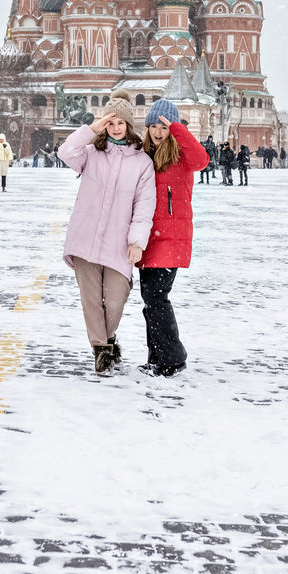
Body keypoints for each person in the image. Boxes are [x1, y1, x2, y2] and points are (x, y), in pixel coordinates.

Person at [59, 91, 155, 375]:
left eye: (120, 123)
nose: (115, 128)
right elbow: (65, 152)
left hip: (118, 242)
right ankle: (101, 349)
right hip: (85, 237)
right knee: (91, 299)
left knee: (115, 300)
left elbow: (144, 206)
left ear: (128, 125)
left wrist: (137, 241)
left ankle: (110, 337)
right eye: (110, 122)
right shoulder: (91, 154)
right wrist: (91, 129)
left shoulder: (142, 163)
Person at [138, 99, 208, 377]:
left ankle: (173, 358)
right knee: (150, 299)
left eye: (163, 127)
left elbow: (202, 159)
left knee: (157, 298)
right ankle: (157, 357)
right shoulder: (143, 155)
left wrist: (177, 128)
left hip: (172, 238)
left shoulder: (181, 157)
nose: (157, 131)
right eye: (153, 125)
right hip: (148, 238)